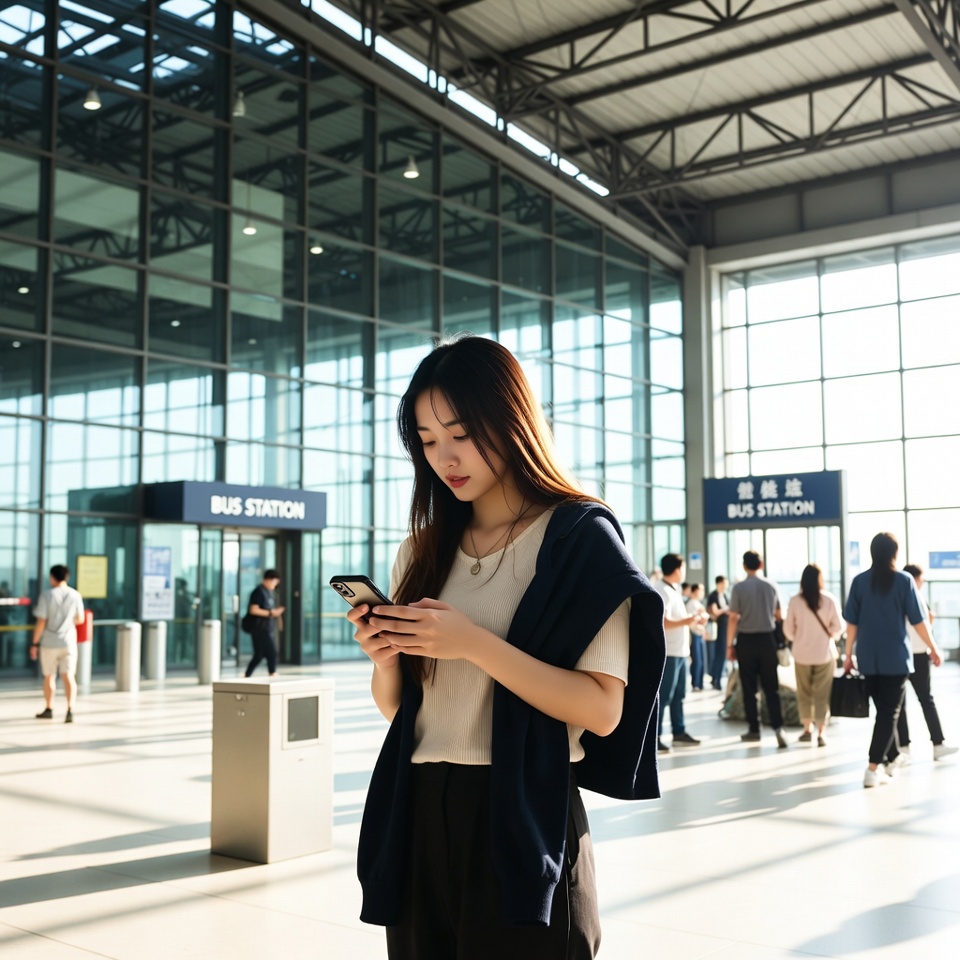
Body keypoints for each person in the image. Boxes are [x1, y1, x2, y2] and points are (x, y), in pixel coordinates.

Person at [347, 336, 666, 959]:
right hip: (416, 809)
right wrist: (387, 656)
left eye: (461, 432)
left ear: (509, 418)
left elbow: (602, 710)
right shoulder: (424, 550)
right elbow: (402, 710)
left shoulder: (578, 539)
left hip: (522, 814)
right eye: (428, 440)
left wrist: (471, 642)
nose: (445, 457)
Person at [843, 533, 942, 788]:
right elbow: (919, 622)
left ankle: (893, 757)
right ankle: (872, 767)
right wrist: (933, 648)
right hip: (895, 658)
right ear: (894, 553)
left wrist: (847, 655)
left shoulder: (859, 582)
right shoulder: (903, 581)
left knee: (884, 711)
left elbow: (851, 624)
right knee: (888, 714)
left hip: (867, 657)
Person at [896, 564, 957, 762]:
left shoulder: (896, 595)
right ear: (914, 578)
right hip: (918, 654)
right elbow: (923, 623)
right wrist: (934, 648)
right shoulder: (916, 595)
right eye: (921, 579)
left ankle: (904, 747)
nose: (921, 583)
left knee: (901, 702)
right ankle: (937, 744)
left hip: (902, 653)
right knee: (925, 700)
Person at [727, 551, 788, 748]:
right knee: (772, 687)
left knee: (749, 687)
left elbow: (734, 617)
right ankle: (779, 728)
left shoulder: (738, 588)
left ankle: (754, 729)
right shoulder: (771, 586)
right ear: (761, 565)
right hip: (767, 640)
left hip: (746, 641)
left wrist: (730, 644)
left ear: (744, 566)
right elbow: (779, 615)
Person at [783, 564, 844, 747]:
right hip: (824, 653)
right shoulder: (829, 600)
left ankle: (807, 729)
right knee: (822, 694)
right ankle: (821, 733)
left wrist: (799, 638)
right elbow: (839, 627)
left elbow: (788, 630)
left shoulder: (795, 601)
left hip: (801, 654)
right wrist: (827, 636)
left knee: (804, 693)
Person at [654, 554, 705, 752]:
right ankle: (655, 736)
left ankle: (679, 731)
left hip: (681, 652)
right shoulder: (662, 590)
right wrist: (688, 620)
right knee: (664, 695)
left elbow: (679, 619)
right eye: (682, 567)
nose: (684, 571)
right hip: (670, 652)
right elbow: (663, 621)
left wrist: (694, 620)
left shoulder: (674, 591)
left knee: (679, 695)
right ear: (676, 569)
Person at [30, 564, 84, 723]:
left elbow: (41, 621)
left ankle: (49, 708)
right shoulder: (75, 595)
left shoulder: (47, 595)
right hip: (68, 642)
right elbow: (80, 619)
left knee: (49, 677)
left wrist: (34, 643)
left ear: (53, 577)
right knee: (69, 677)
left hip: (49, 643)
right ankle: (70, 710)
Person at [244, 569, 284, 677]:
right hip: (260, 629)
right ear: (269, 579)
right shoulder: (258, 592)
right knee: (272, 653)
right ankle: (272, 672)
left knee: (259, 655)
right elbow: (253, 609)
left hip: (266, 628)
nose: (275, 585)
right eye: (275, 582)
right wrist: (272, 613)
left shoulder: (268, 593)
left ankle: (247, 674)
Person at [706, 575, 730, 690]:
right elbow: (715, 612)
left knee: (721, 654)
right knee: (720, 654)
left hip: (725, 627)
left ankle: (715, 677)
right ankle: (717, 679)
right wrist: (725, 610)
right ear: (719, 583)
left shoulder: (725, 595)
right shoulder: (713, 596)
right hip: (719, 628)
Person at [686, 583, 707, 692]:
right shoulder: (691, 604)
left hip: (700, 634)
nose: (703, 592)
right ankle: (696, 683)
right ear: (695, 591)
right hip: (694, 634)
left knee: (702, 660)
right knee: (697, 660)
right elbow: (692, 621)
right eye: (701, 589)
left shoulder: (698, 603)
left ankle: (700, 683)